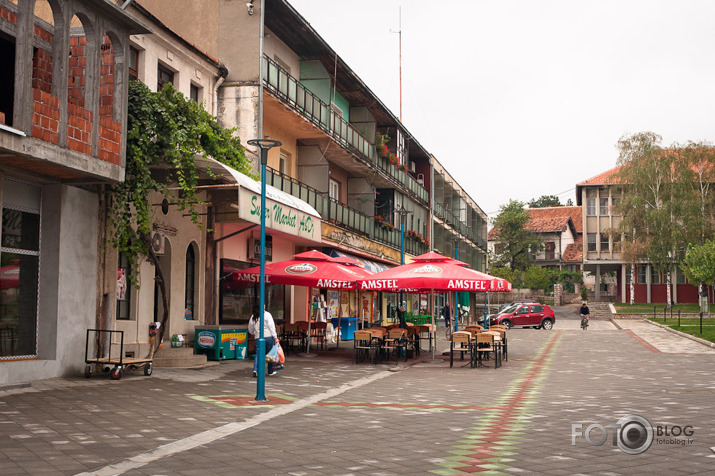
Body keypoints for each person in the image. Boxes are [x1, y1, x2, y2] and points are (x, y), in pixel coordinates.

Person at [248, 304, 281, 377]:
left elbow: (250, 329)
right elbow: (271, 326)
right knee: (270, 354)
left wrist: (255, 333)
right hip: (268, 337)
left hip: (258, 338)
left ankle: (256, 369)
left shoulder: (253, 316)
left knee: (259, 354)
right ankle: (270, 371)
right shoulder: (267, 315)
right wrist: (275, 337)